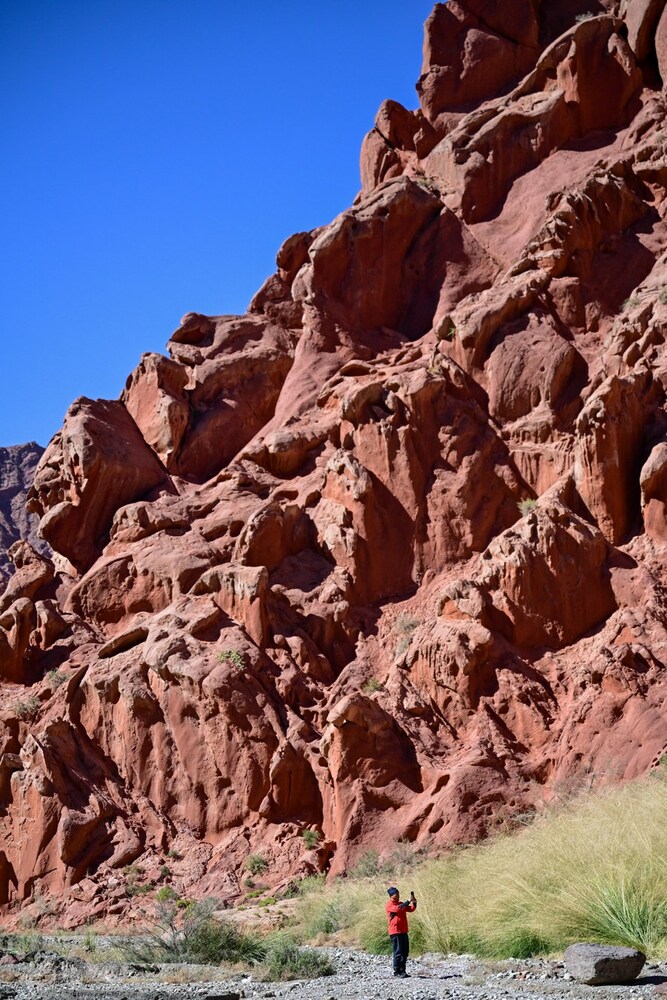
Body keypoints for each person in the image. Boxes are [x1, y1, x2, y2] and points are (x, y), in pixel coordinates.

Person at [385, 886, 417, 977]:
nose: (398, 895)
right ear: (391, 895)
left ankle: (403, 970)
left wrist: (414, 902)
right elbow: (398, 909)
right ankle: (397, 971)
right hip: (395, 931)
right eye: (396, 893)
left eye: (398, 893)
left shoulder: (401, 903)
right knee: (398, 952)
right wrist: (408, 901)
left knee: (405, 951)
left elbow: (411, 909)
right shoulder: (389, 905)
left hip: (403, 930)